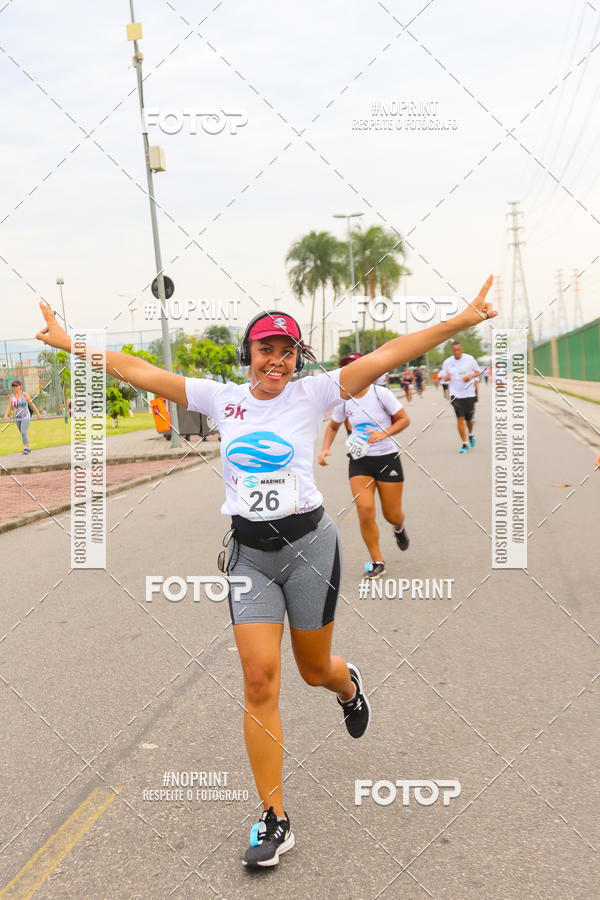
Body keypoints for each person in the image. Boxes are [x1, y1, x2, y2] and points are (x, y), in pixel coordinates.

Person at [35, 276, 495, 868]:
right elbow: (141, 371)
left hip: (310, 547)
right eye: (264, 349)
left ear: (297, 358)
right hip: (249, 557)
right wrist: (74, 345)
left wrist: (461, 322)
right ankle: (274, 818)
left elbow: (390, 353)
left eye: (286, 351)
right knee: (258, 681)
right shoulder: (221, 399)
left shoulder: (315, 393)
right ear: (248, 355)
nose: (275, 361)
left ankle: (346, 683)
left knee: (312, 672)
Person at [319, 356, 410, 579]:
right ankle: (377, 561)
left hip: (387, 458)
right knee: (365, 509)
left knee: (392, 515)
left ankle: (398, 529)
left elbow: (404, 419)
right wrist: (325, 449)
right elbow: (332, 426)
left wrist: (383, 433)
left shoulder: (381, 394)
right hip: (360, 461)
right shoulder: (344, 401)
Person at [438, 341, 482, 453]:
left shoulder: (469, 359)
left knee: (469, 420)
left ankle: (471, 434)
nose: (457, 352)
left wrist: (470, 376)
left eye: (459, 350)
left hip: (469, 393)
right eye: (454, 350)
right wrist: (446, 378)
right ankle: (464, 443)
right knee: (460, 419)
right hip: (455, 394)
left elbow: (478, 372)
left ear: (461, 349)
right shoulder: (447, 362)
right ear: (452, 351)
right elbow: (444, 377)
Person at [2, 378, 41, 454]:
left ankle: (26, 448)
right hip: (17, 418)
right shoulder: (12, 396)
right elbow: (9, 407)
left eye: (16, 386)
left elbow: (32, 404)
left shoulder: (25, 394)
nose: (15, 388)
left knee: (23, 432)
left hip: (25, 416)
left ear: (20, 386)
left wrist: (38, 414)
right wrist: (6, 414)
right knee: (23, 433)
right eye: (13, 386)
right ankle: (28, 447)